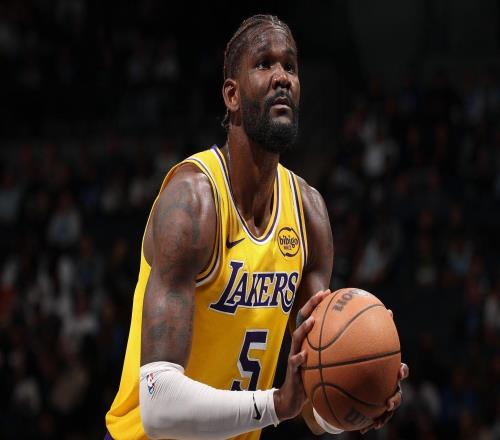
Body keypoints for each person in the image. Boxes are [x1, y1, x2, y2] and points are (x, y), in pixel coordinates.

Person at [105, 14, 409, 440]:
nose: (282, 77)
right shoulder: (192, 202)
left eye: (291, 66)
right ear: (232, 95)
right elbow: (158, 406)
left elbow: (310, 403)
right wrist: (275, 404)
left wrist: (360, 403)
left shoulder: (309, 215)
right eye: (265, 64)